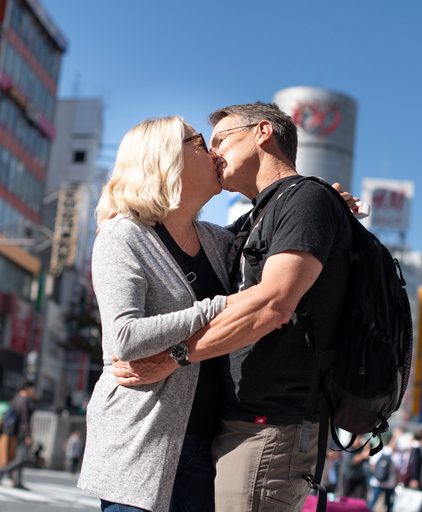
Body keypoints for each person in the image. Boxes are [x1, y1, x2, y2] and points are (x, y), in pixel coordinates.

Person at [112, 102, 355, 512]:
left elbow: (274, 304)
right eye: (205, 144)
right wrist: (124, 217)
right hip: (234, 427)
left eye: (220, 139)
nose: (213, 153)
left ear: (263, 132)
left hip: (271, 425)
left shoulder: (303, 200)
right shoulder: (253, 222)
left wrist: (174, 357)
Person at [77, 116, 234, 512]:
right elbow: (125, 338)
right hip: (140, 443)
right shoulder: (123, 235)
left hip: (206, 446)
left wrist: (324, 203)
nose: (214, 152)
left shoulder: (219, 241)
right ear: (166, 157)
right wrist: (216, 309)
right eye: (200, 141)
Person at [0, 381, 36, 489]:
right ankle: (3, 471)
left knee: (20, 456)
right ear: (27, 388)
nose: (33, 391)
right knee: (23, 458)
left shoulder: (16, 399)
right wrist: (27, 435)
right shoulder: (25, 401)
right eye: (32, 388)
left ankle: (17, 481)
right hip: (22, 433)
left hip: (15, 432)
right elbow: (25, 420)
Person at [367, 431, 401, 512]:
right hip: (390, 483)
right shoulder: (395, 455)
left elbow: (371, 466)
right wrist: (397, 482)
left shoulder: (378, 451)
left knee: (373, 502)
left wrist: (377, 474)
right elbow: (397, 470)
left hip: (376, 481)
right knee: (388, 503)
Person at [337, 434, 370, 499]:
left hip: (359, 477)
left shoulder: (361, 449)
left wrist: (367, 449)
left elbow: (367, 458)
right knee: (345, 497)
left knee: (360, 497)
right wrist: (363, 456)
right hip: (347, 476)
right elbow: (351, 461)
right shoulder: (348, 448)